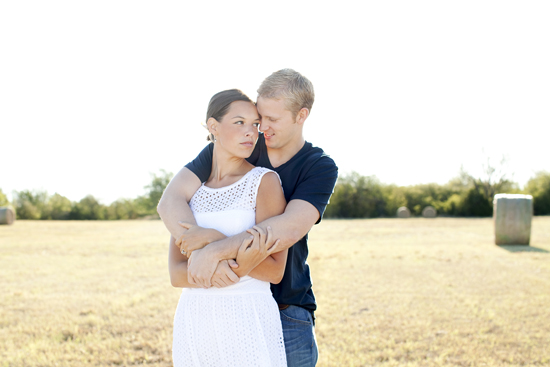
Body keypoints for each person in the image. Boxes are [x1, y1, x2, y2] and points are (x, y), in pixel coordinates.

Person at [159, 69, 338, 367]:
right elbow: (170, 200)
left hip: (287, 306)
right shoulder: (238, 149)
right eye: (258, 117)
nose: (261, 128)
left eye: (271, 120)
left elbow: (286, 228)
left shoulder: (318, 166)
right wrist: (197, 247)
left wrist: (214, 246)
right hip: (213, 308)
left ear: (301, 115)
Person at [169, 89, 288, 367]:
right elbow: (176, 273)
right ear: (213, 127)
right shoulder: (192, 191)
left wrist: (214, 243)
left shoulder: (264, 182)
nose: (251, 132)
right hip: (195, 319)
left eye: (255, 124)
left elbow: (274, 270)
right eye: (239, 122)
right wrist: (227, 265)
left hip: (248, 316)